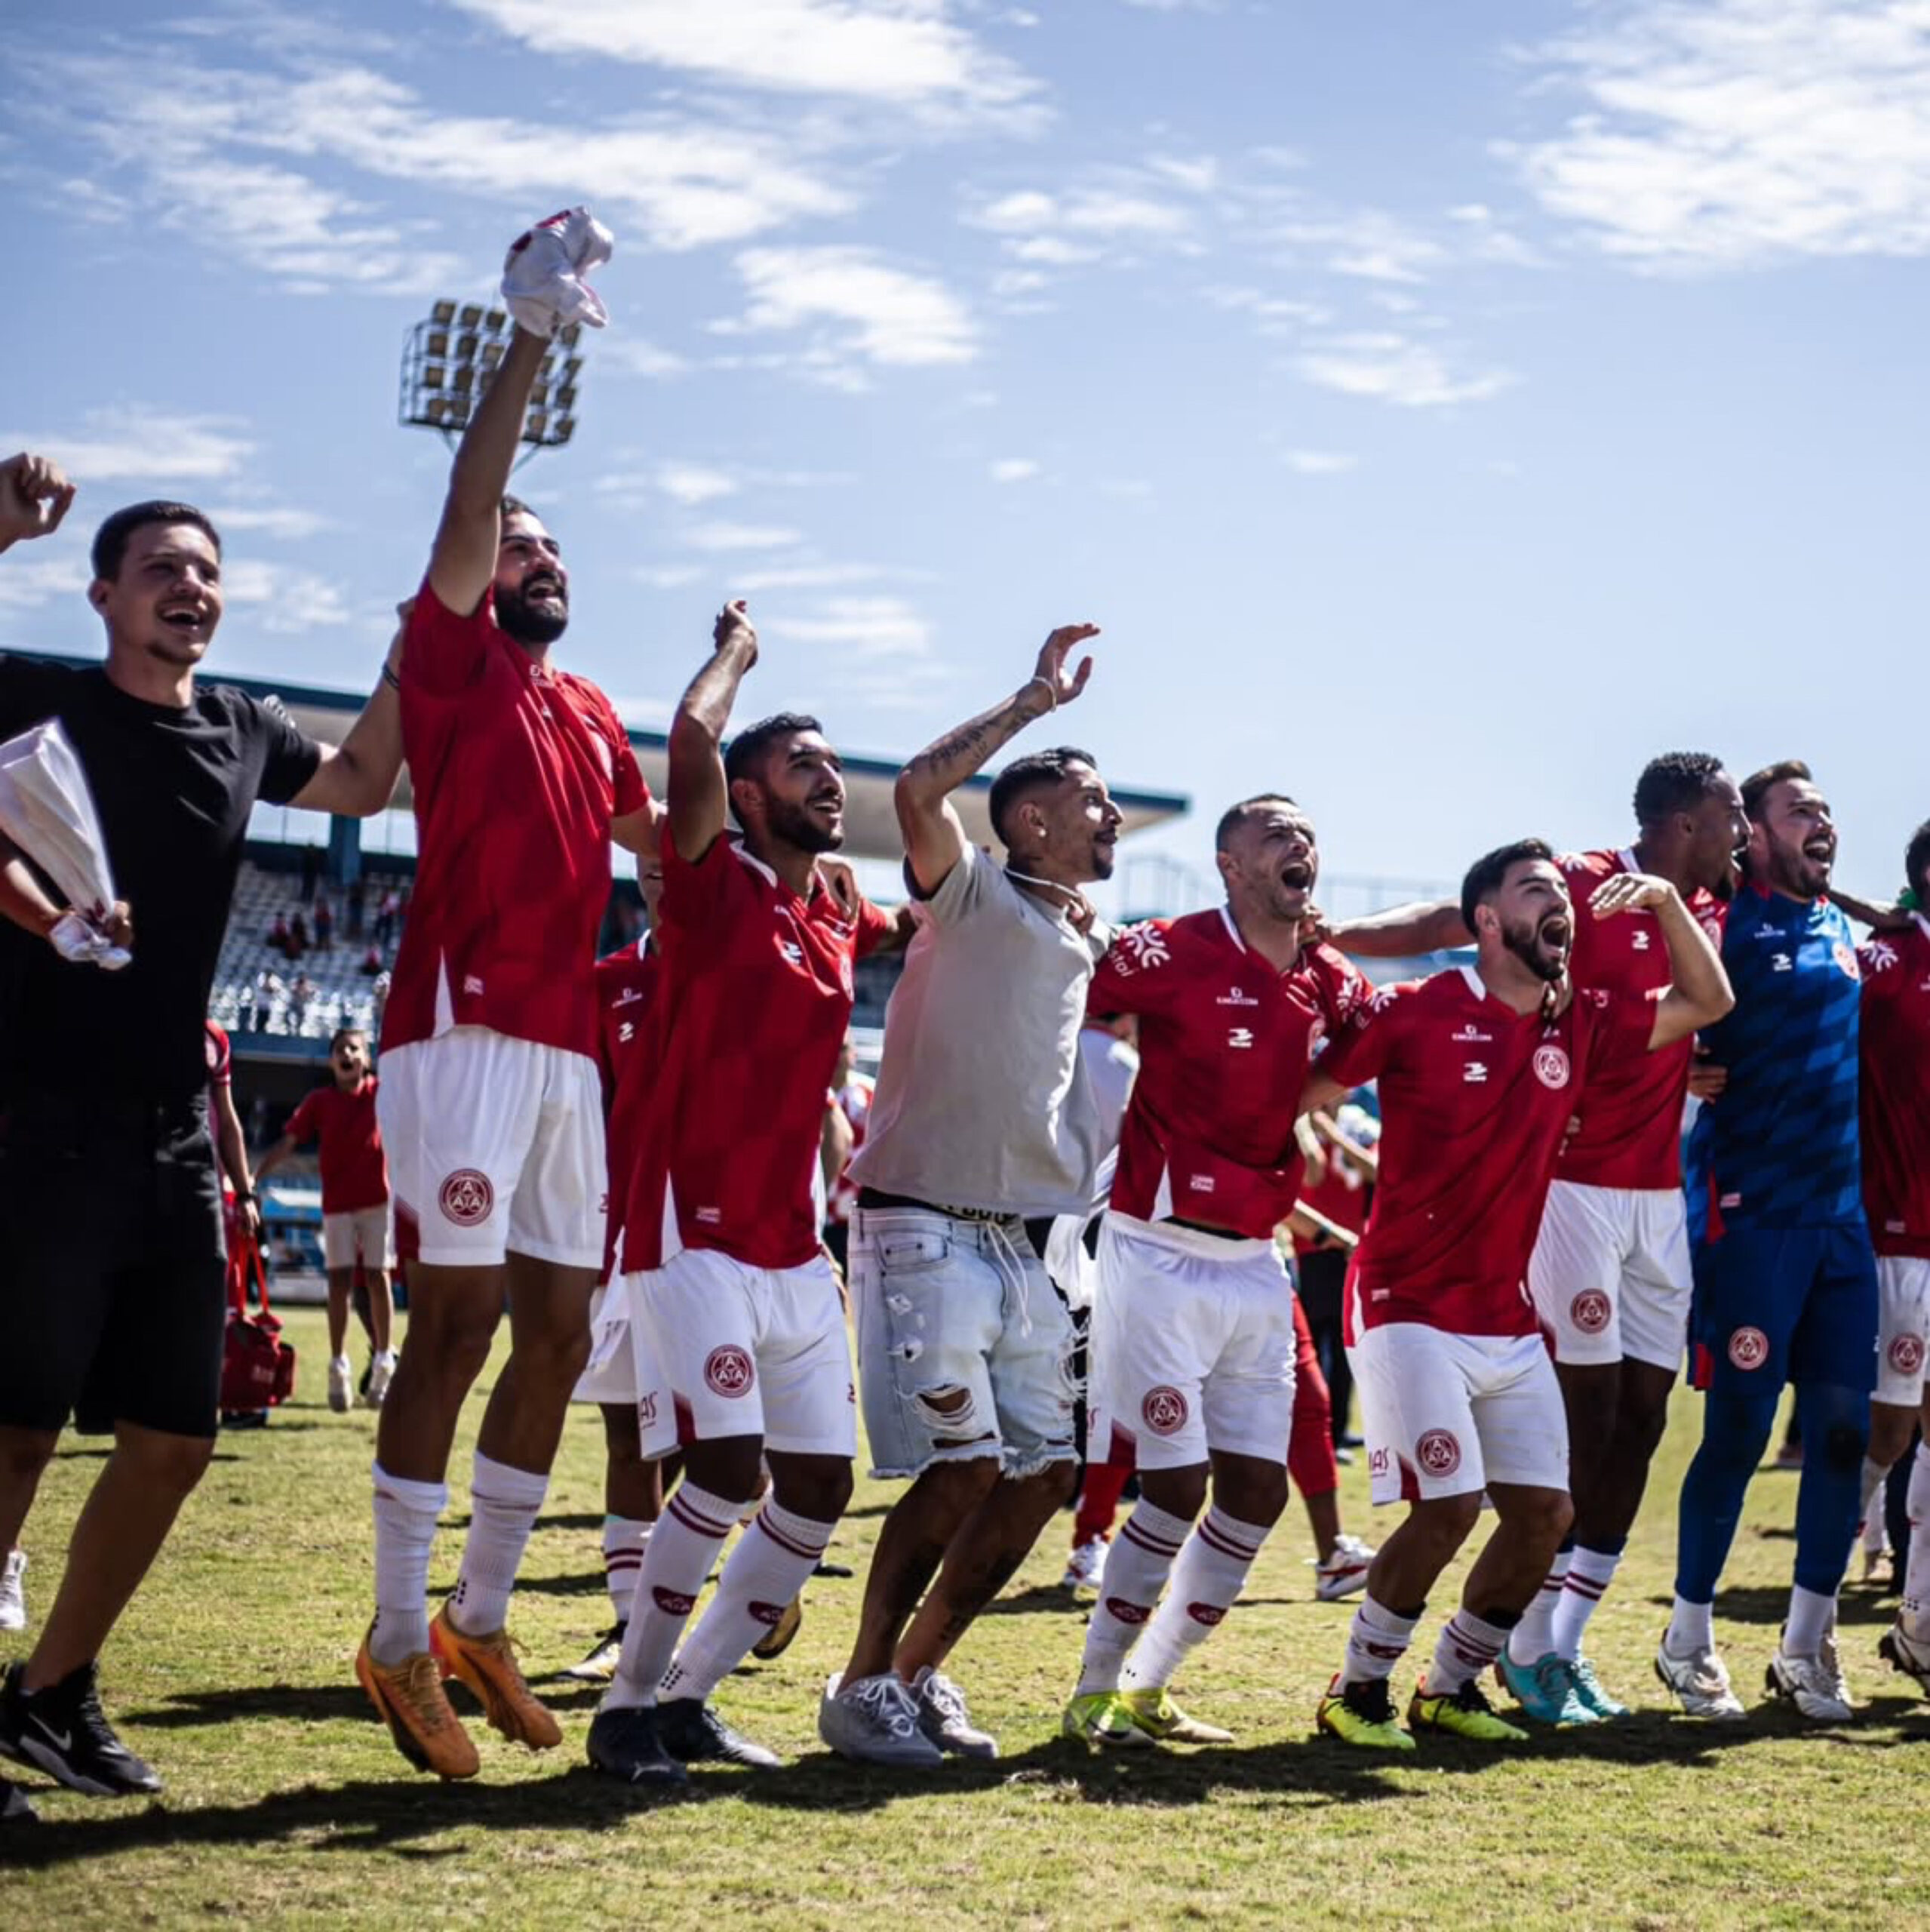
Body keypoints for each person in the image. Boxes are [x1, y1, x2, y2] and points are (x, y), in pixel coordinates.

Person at [0, 449, 404, 1814]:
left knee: (175, 1438)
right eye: (164, 569)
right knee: (16, 1429)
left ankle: (50, 1692)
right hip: (36, 1111)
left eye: (209, 574)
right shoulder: (36, 703)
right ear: (103, 590)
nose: (192, 589)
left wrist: (427, 634)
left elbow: (359, 783)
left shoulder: (239, 727)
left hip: (174, 1123)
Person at [352, 212, 658, 1783]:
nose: (538, 559)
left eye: (554, 549)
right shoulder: (451, 661)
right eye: (520, 547)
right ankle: (397, 1631)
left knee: (560, 1327)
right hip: (462, 1025)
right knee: (457, 1317)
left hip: (565, 1055)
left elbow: (664, 848)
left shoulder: (593, 707)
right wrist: (531, 339)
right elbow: (469, 502)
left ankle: (479, 1614)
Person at [1306, 838, 1731, 1750]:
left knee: (1545, 1513)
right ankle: (1356, 1687)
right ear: (1485, 920)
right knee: (1450, 1506)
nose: (1562, 906)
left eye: (1562, 894)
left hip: (1501, 1313)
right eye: (1535, 891)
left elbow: (1707, 1001)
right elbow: (1308, 1088)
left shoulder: (1579, 1020)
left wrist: (1662, 902)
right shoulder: (1416, 1008)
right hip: (1402, 1301)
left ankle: (1450, 1684)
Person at [587, 601, 896, 1788]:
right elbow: (687, 740)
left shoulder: (828, 919)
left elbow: (916, 911)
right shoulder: (711, 884)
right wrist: (736, 657)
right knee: (724, 1469)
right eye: (800, 764)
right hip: (690, 1227)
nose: (826, 779)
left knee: (820, 1483)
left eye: (828, 763)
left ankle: (690, 1699)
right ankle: (627, 1705)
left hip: (786, 1240)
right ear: (749, 795)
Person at [823, 628, 1119, 1768]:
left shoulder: (1074, 929)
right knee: (962, 1465)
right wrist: (1030, 705)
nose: (1105, 818)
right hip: (924, 1218)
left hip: (1031, 1238)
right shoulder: (970, 891)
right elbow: (912, 787)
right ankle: (856, 1688)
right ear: (1031, 817)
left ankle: (917, 1675)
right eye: (1086, 800)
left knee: (1045, 1471)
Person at [1062, 795, 1369, 1748]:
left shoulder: (1327, 976)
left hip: (1253, 1259)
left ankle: (1150, 1684)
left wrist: (1291, 1103)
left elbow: (1358, 1052)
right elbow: (1065, 980)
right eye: (1275, 834)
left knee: (1255, 1491)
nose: (1299, 846)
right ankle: (1091, 1690)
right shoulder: (1171, 948)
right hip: (1154, 1248)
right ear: (1229, 864)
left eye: (1306, 835)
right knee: (1174, 1480)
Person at [1660, 762, 1882, 1723]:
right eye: (1801, 812)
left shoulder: (1844, 927)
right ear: (1749, 832)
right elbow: (1643, 1002)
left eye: (1826, 810)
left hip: (1841, 1221)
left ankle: (1805, 1647)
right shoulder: (1720, 926)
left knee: (1839, 1434)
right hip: (1748, 1215)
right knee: (1740, 1430)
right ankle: (1686, 1637)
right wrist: (1680, 1070)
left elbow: (1897, 911)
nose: (1821, 822)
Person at [565, 857, 668, 1682]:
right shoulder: (607, 982)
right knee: (628, 1430)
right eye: (653, 868)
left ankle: (763, 1570)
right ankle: (633, 1627)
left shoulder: (750, 964)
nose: (668, 878)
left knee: (730, 1447)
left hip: (737, 1240)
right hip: (628, 1239)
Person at [1856, 820, 1930, 1695]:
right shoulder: (1879, 964)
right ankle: (1855, 1521)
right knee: (1885, 1426)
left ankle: (1916, 1624)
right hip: (1898, 1239)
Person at [254, 1026, 398, 1412]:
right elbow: (288, 1143)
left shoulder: (383, 1092)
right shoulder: (319, 1101)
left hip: (377, 1202)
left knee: (377, 1275)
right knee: (338, 1282)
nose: (347, 1054)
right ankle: (339, 1365)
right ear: (332, 1060)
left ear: (366, 1058)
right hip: (337, 1204)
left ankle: (385, 1359)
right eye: (339, 1050)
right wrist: (253, 1176)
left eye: (354, 1048)